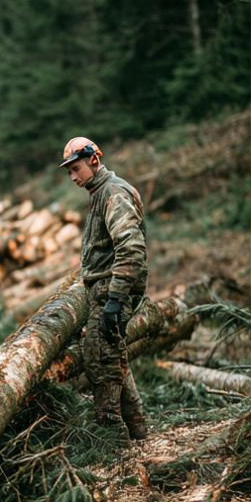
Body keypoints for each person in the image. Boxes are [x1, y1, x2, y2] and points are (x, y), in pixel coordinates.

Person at [60, 137, 148, 451]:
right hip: (105, 291)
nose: (73, 177)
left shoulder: (113, 193)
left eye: (76, 168)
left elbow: (131, 249)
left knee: (101, 361)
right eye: (69, 171)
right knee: (113, 357)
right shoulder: (100, 192)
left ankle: (114, 448)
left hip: (113, 292)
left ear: (94, 160)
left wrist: (114, 300)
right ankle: (139, 432)